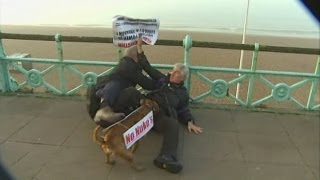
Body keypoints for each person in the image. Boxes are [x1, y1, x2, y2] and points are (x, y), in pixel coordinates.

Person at [136, 48, 203, 173]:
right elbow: (148, 68)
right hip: (145, 106)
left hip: (158, 116)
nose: (172, 73)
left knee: (173, 124)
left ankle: (166, 157)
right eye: (173, 70)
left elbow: (183, 109)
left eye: (176, 72)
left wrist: (189, 121)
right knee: (131, 94)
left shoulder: (182, 94)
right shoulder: (162, 80)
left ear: (181, 79)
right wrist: (139, 49)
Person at [88, 39, 157, 128]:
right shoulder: (129, 67)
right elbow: (147, 84)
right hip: (104, 106)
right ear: (135, 57)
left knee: (121, 86)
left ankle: (105, 112)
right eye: (139, 56)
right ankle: (105, 111)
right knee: (132, 92)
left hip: (95, 105)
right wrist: (160, 83)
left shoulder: (123, 64)